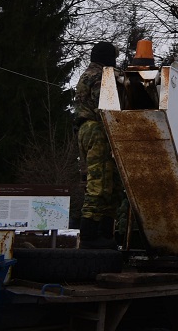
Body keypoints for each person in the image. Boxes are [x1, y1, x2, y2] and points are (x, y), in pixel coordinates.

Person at [75, 41, 122, 248]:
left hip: (87, 130)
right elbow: (104, 105)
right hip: (97, 130)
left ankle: (102, 233)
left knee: (107, 181)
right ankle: (91, 235)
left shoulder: (87, 74)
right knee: (100, 182)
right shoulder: (101, 77)